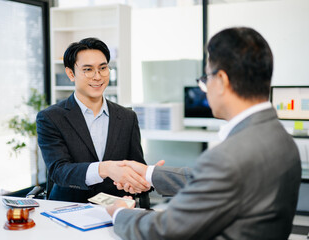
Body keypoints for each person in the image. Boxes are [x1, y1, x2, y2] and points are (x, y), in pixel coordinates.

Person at [106, 27, 302, 240]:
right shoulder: (280, 137)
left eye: (206, 78)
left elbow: (166, 231)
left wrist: (119, 212)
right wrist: (148, 173)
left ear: (222, 81)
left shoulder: (230, 156)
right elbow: (215, 184)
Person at [36, 37, 150, 203]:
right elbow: (59, 171)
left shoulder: (127, 117)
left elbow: (136, 165)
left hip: (116, 210)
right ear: (70, 73)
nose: (98, 77)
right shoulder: (50, 118)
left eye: (103, 68)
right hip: (68, 209)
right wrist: (105, 169)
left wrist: (145, 180)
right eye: (88, 70)